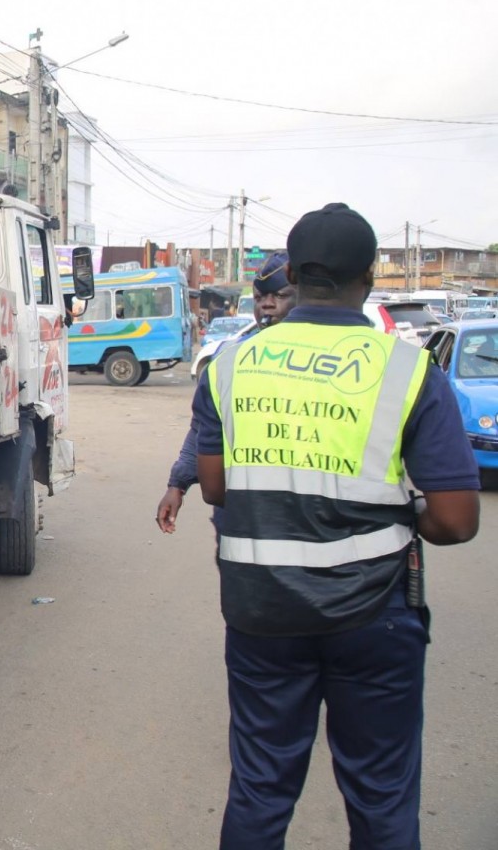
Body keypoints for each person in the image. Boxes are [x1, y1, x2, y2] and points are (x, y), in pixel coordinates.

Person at [193, 204, 479, 849]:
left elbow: (214, 486)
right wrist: (408, 516)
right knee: (381, 798)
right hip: (374, 613)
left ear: (291, 275)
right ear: (370, 278)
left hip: (261, 610)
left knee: (261, 790)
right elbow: (457, 522)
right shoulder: (408, 371)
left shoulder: (231, 365)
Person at [156, 251, 296, 533]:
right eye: (259, 298)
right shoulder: (230, 359)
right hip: (242, 517)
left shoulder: (322, 361)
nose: (267, 306)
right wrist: (178, 485)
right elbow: (202, 428)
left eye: (279, 296)